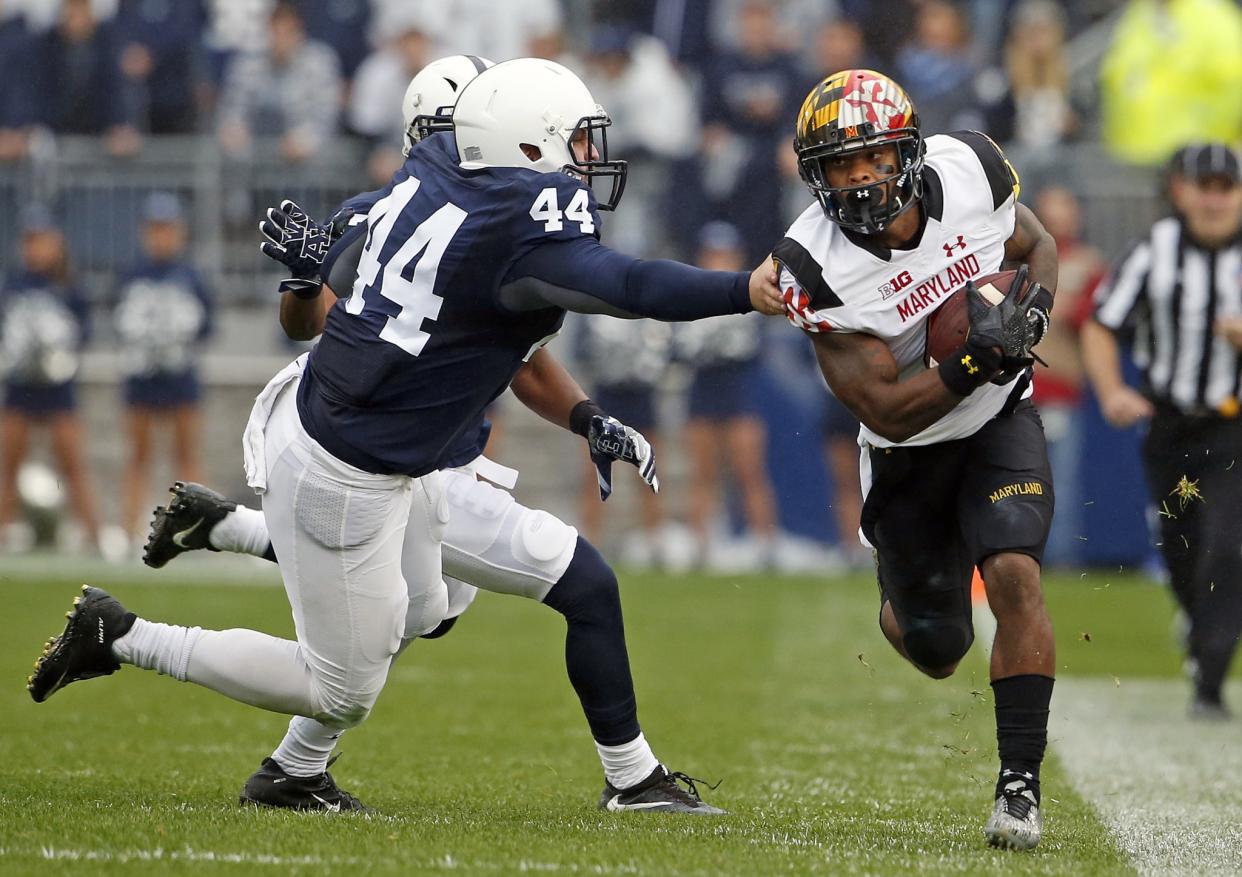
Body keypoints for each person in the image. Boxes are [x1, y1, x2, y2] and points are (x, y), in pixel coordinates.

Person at [28, 58, 783, 817]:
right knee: (343, 689)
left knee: (428, 607)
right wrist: (742, 290)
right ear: (527, 149)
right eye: (577, 142)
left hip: (379, 443)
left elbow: (504, 326)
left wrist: (588, 417)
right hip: (352, 464)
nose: (590, 159)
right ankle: (123, 634)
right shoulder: (494, 223)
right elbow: (628, 285)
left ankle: (234, 548)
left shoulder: (433, 171)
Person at [776, 69, 1057, 849]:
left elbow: (1039, 244)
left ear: (909, 151)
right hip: (910, 456)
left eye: (870, 158)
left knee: (1014, 574)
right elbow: (885, 410)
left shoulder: (968, 168)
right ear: (816, 175)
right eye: (839, 164)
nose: (859, 178)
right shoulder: (813, 262)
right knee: (938, 648)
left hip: (1002, 415)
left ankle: (1019, 786)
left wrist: (1029, 319)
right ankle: (905, 599)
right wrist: (975, 357)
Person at [1081, 143, 1242, 719]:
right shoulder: (1156, 251)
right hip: (1171, 428)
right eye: (1207, 185)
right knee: (1182, 551)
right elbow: (1101, 325)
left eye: (1227, 186)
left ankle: (1210, 680)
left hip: (1233, 430)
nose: (1216, 198)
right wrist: (1112, 392)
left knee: (1228, 547)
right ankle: (1201, 624)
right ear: (1183, 191)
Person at [113, 193, 215, 545]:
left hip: (180, 375)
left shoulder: (190, 275)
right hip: (142, 375)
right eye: (155, 230)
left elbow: (207, 326)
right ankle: (130, 530)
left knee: (186, 453)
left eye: (167, 229)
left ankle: (195, 528)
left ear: (180, 232)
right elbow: (118, 321)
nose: (161, 237)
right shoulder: (132, 273)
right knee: (139, 454)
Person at [677, 221, 778, 569]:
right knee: (703, 472)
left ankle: (766, 547)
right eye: (712, 253)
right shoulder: (688, 291)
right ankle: (699, 548)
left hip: (739, 390)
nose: (718, 259)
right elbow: (680, 347)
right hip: (703, 390)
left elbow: (751, 345)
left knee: (749, 469)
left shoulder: (752, 289)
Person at [0, 207, 99, 552]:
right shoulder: (12, 284)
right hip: (18, 387)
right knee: (8, 463)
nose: (35, 248)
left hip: (58, 391)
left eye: (41, 241)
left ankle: (94, 537)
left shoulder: (70, 286)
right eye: (29, 241)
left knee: (72, 463)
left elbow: (84, 332)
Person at [574, 313, 671, 565]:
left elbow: (668, 347)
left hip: (641, 395)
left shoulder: (647, 301)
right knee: (594, 473)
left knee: (647, 470)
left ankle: (655, 541)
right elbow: (581, 349)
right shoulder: (594, 306)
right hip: (607, 395)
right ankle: (590, 541)